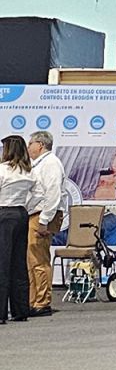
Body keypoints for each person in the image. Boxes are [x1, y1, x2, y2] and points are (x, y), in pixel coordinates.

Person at [27, 128, 66, 317]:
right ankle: (33, 300)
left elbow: (53, 193)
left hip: (42, 215)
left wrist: (44, 220)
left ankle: (42, 302)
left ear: (40, 145)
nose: (28, 147)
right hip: (36, 214)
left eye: (30, 143)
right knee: (32, 260)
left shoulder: (51, 163)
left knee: (39, 259)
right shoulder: (40, 164)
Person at [0, 133, 38, 324]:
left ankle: (0, 313)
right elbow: (38, 195)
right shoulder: (28, 171)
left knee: (2, 264)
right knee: (18, 263)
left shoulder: (2, 170)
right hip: (21, 214)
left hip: (3, 214)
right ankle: (20, 310)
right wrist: (26, 208)